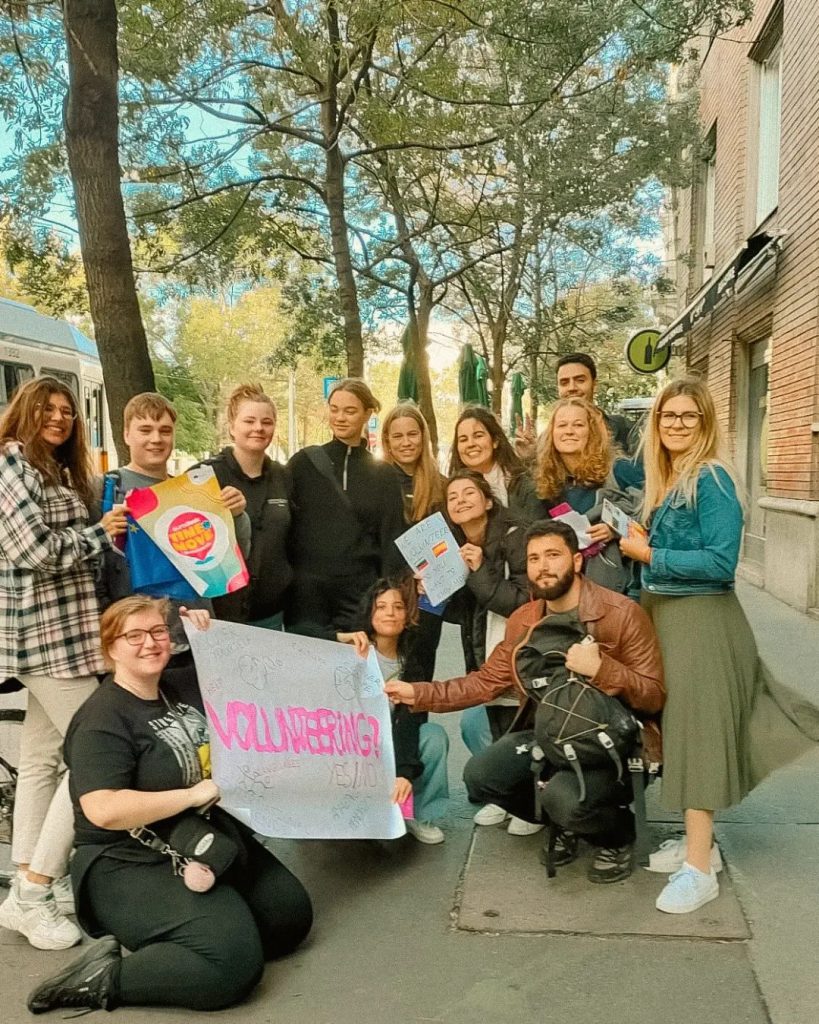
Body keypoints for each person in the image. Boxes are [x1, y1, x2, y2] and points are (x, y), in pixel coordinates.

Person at [25, 595, 313, 1015]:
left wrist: (212, 637)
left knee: (288, 918)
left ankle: (205, 929)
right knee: (231, 967)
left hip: (196, 837)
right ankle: (100, 976)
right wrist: (192, 796)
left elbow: (251, 670)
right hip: (127, 859)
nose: (150, 642)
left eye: (158, 631)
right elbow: (103, 808)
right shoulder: (101, 719)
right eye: (134, 636)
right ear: (111, 648)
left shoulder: (178, 685)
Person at [385, 520, 665, 884]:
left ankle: (617, 834)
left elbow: (653, 694)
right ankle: (567, 821)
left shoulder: (621, 613)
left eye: (553, 555)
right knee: (481, 777)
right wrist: (418, 693)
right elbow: (485, 682)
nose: (543, 567)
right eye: (534, 558)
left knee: (563, 799)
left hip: (610, 743)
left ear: (577, 561)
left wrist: (602, 669)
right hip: (549, 735)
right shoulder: (525, 620)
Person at [619, 377, 756, 914]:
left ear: (705, 423)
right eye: (668, 415)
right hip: (669, 617)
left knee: (697, 738)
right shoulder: (671, 476)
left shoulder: (713, 477)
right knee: (679, 732)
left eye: (687, 416)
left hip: (701, 621)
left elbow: (722, 562)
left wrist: (650, 555)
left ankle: (699, 870)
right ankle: (703, 847)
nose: (676, 424)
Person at [0, 377, 127, 951]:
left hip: (68, 635)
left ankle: (24, 889)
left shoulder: (55, 469)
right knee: (96, 756)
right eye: (47, 409)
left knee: (41, 760)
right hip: (42, 637)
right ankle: (36, 888)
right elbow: (32, 550)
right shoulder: (12, 465)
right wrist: (98, 534)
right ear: (24, 411)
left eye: (67, 411)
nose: (59, 418)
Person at [99, 392, 251, 645]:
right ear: (126, 434)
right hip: (137, 641)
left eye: (165, 431)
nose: (156, 439)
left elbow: (231, 560)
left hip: (194, 634)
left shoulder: (193, 492)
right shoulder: (105, 490)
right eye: (145, 430)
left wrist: (237, 516)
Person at [445, 470, 541, 837]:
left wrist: (479, 570)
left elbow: (524, 603)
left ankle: (532, 803)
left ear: (488, 501)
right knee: (495, 722)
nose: (460, 501)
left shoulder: (516, 536)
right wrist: (432, 590)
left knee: (523, 726)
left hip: (520, 647)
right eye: (453, 497)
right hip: (484, 646)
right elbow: (465, 610)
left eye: (469, 493)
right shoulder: (457, 545)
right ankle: (506, 796)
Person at [286, 378, 406, 636]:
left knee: (358, 659)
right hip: (306, 597)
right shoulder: (302, 464)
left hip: (360, 597)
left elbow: (391, 539)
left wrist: (387, 595)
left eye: (350, 411)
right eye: (334, 409)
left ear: (367, 414)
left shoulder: (384, 474)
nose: (340, 418)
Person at [337, 576, 450, 845]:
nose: (390, 613)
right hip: (353, 744)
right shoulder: (349, 651)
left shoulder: (412, 660)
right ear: (369, 613)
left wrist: (404, 771)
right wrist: (340, 637)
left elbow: (410, 719)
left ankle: (419, 815)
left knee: (434, 736)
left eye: (398, 607)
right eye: (381, 606)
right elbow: (302, 634)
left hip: (394, 739)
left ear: (407, 615)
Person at [197, 384, 293, 627]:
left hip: (273, 614)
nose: (258, 428)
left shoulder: (284, 477)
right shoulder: (204, 476)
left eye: (266, 422)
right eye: (249, 421)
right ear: (232, 427)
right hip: (220, 615)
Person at [531, 397, 641, 593]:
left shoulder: (619, 469)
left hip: (616, 588)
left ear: (592, 432)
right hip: (564, 589)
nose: (569, 431)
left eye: (578, 425)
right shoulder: (545, 480)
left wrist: (615, 527)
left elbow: (652, 508)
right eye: (562, 425)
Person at [381, 403, 447, 679]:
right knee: (384, 673)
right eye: (398, 436)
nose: (406, 442)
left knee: (419, 675)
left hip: (428, 596)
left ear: (423, 436)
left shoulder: (442, 485)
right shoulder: (378, 482)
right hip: (388, 593)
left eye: (412, 434)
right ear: (387, 441)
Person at [448, 405, 537, 524]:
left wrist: (532, 459)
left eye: (478, 436)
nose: (471, 444)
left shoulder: (522, 485)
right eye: (463, 439)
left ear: (495, 441)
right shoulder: (450, 494)